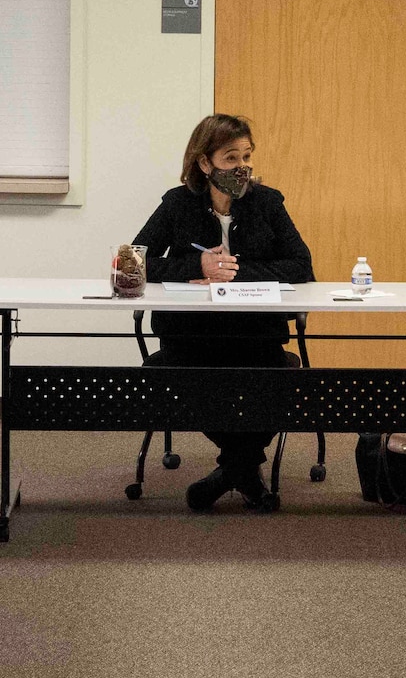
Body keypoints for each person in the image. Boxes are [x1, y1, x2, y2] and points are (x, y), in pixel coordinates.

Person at [133, 113, 314, 512]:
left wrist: (234, 272)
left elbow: (302, 265)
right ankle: (244, 471)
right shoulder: (177, 204)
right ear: (204, 163)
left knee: (277, 379)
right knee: (187, 380)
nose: (242, 167)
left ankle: (231, 471)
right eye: (231, 158)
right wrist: (196, 267)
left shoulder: (268, 202)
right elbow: (135, 260)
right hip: (190, 335)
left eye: (247, 156)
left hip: (256, 334)